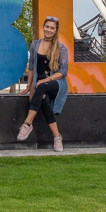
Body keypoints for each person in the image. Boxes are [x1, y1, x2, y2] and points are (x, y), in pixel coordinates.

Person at [16, 15, 68, 152]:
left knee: (42, 87)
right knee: (42, 99)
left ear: (56, 31)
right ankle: (57, 137)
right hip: (39, 84)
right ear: (43, 27)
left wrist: (45, 80)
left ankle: (27, 123)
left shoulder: (61, 48)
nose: (49, 30)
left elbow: (63, 72)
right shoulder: (35, 45)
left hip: (56, 83)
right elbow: (31, 67)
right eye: (47, 27)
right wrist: (28, 86)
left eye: (52, 28)